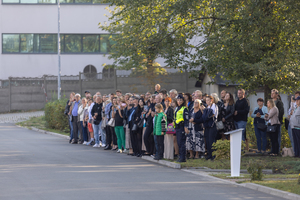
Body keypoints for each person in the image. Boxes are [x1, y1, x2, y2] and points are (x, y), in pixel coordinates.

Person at [174, 94, 189, 162]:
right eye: (178, 100)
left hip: (182, 126)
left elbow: (186, 119)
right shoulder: (177, 108)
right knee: (178, 142)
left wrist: (186, 127)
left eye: (180, 100)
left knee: (182, 142)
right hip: (177, 127)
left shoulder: (184, 109)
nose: (179, 101)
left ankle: (183, 157)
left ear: (183, 101)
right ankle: (180, 156)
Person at [202, 95, 218, 160]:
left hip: (212, 125)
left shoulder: (214, 106)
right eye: (206, 100)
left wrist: (207, 115)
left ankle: (213, 155)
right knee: (207, 140)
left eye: (208, 100)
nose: (207, 101)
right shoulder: (207, 107)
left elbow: (213, 115)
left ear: (211, 100)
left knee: (212, 140)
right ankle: (209, 155)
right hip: (207, 125)